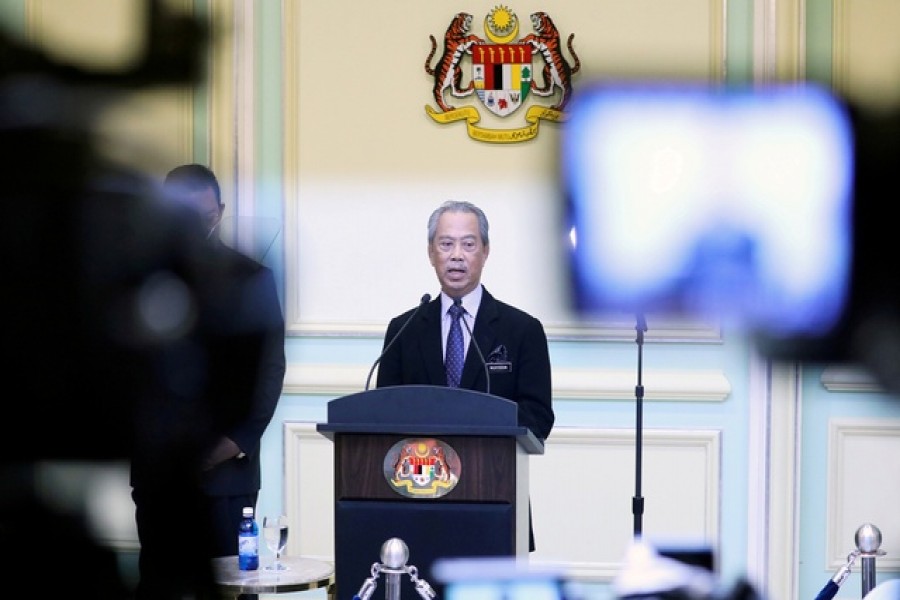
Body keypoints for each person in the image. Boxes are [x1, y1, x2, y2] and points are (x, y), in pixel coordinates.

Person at [129, 164, 286, 599]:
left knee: (234, 590)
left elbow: (269, 372)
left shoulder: (253, 277)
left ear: (219, 212)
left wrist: (228, 445)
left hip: (229, 481)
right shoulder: (135, 279)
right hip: (158, 476)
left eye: (204, 215)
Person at [376, 199, 555, 549]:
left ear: (485, 252)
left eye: (468, 244)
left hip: (495, 496)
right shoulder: (404, 329)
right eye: (446, 244)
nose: (457, 255)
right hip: (416, 499)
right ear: (431, 253)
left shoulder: (521, 330)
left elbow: (538, 418)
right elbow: (383, 414)